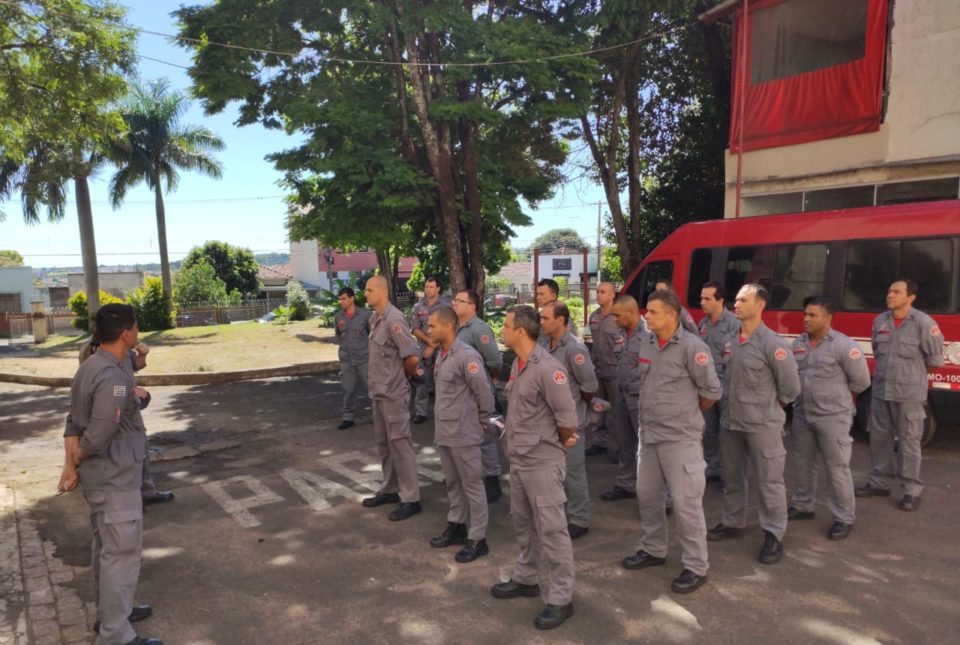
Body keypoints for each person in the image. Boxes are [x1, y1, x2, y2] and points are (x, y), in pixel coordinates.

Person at [59, 304, 162, 645]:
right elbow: (104, 427)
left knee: (106, 548)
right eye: (135, 327)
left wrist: (72, 466)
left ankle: (112, 615)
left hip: (104, 479)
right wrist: (80, 454)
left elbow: (73, 420)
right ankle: (116, 635)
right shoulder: (114, 378)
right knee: (121, 555)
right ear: (126, 333)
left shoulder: (89, 367)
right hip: (115, 477)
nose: (137, 332)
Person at [622, 289, 721, 594]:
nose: (645, 316)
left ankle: (695, 566)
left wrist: (684, 414)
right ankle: (653, 549)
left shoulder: (693, 347)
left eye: (652, 312)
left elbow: (711, 393)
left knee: (686, 504)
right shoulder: (647, 342)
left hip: (680, 439)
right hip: (649, 435)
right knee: (648, 496)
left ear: (671, 315)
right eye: (646, 311)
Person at [491, 306, 578, 631]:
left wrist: (560, 441)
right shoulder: (519, 365)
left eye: (505, 323)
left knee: (553, 531)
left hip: (542, 462)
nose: (502, 328)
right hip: (521, 460)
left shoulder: (548, 369)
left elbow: (567, 420)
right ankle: (526, 577)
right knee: (524, 525)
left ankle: (561, 598)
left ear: (520, 332)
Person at [708, 284, 800, 565]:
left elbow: (791, 389)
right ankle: (733, 522)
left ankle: (774, 534)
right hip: (731, 422)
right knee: (732, 477)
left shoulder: (774, 345)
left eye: (743, 300)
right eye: (735, 299)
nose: (736, 304)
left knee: (769, 481)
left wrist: (767, 409)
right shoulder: (729, 340)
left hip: (762, 425)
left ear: (760, 305)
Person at [856, 279, 945, 511]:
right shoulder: (880, 321)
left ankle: (911, 491)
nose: (890, 295)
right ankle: (878, 483)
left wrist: (910, 375)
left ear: (910, 297)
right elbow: (877, 350)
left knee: (909, 444)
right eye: (889, 291)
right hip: (881, 391)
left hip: (909, 395)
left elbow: (934, 360)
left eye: (897, 292)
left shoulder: (924, 323)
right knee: (878, 439)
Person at [788, 297, 870, 540]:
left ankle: (843, 517)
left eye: (813, 315)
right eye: (805, 314)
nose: (806, 319)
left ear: (828, 318)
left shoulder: (843, 345)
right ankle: (803, 505)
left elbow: (862, 382)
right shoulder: (799, 344)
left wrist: (836, 399)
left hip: (833, 417)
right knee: (802, 462)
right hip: (803, 414)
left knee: (837, 468)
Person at [65, 337, 173, 507]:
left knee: (139, 452)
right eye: (133, 327)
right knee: (118, 457)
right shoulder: (93, 355)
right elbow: (109, 389)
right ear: (123, 331)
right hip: (111, 416)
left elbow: (131, 371)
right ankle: (129, 501)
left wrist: (142, 356)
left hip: (128, 417)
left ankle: (142, 494)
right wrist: (73, 461)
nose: (136, 333)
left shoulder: (124, 351)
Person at [427, 306, 495, 562]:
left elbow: (484, 393)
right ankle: (457, 524)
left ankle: (477, 538)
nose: (428, 330)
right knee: (453, 483)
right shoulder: (442, 355)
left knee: (473, 486)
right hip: (445, 432)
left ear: (448, 326)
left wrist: (482, 421)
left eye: (433, 326)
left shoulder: (467, 356)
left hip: (464, 433)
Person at [361, 276, 423, 521]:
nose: (365, 293)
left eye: (369, 289)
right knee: (385, 444)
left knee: (400, 445)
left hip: (393, 393)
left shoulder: (394, 319)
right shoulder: (375, 318)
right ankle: (390, 489)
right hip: (378, 392)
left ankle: (411, 498)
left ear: (382, 292)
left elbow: (412, 358)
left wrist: (402, 380)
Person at [540, 301, 599, 540]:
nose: (541, 322)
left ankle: (579, 518)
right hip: (549, 422)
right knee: (554, 474)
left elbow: (589, 386)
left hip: (571, 423)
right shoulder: (544, 344)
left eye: (546, 318)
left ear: (561, 320)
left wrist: (576, 408)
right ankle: (560, 514)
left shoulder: (575, 348)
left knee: (573, 473)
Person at [452, 289, 505, 503]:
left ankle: (493, 479)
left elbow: (494, 363)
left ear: (472, 306)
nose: (455, 303)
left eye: (460, 301)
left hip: (477, 391)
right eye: (455, 300)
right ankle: (470, 478)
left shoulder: (479, 329)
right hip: (459, 394)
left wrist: (484, 383)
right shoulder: (455, 327)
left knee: (484, 437)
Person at [600, 295, 646, 502]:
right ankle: (626, 484)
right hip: (621, 395)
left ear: (632, 313)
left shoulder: (648, 336)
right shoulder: (621, 333)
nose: (614, 319)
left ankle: (655, 494)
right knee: (625, 442)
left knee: (646, 446)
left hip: (640, 398)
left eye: (617, 315)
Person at [698, 282, 739, 482]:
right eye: (701, 298)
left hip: (727, 386)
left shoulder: (734, 324)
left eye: (707, 299)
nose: (702, 302)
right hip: (707, 386)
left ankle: (729, 475)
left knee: (728, 432)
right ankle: (711, 467)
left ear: (720, 301)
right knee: (709, 429)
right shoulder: (703, 324)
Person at [585, 282, 624, 457]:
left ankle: (617, 447)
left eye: (603, 292)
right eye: (597, 291)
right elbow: (588, 342)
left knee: (617, 411)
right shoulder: (593, 316)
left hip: (615, 371)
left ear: (612, 295)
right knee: (598, 408)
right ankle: (598, 442)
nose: (598, 294)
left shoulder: (619, 316)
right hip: (597, 370)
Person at [410, 277, 452, 424]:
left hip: (442, 347)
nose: (428, 290)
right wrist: (429, 342)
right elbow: (414, 329)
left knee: (443, 380)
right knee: (422, 380)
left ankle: (444, 412)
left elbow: (451, 328)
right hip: (423, 348)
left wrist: (434, 345)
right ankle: (421, 412)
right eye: (426, 287)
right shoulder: (418, 306)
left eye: (432, 287)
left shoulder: (446, 305)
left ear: (438, 289)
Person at [333, 286, 372, 430]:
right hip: (346, 360)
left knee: (373, 388)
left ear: (352, 298)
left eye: (343, 299)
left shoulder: (365, 315)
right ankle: (347, 417)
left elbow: (372, 335)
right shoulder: (338, 317)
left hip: (364, 358)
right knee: (348, 389)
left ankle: (381, 415)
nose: (341, 302)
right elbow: (338, 336)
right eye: (340, 299)